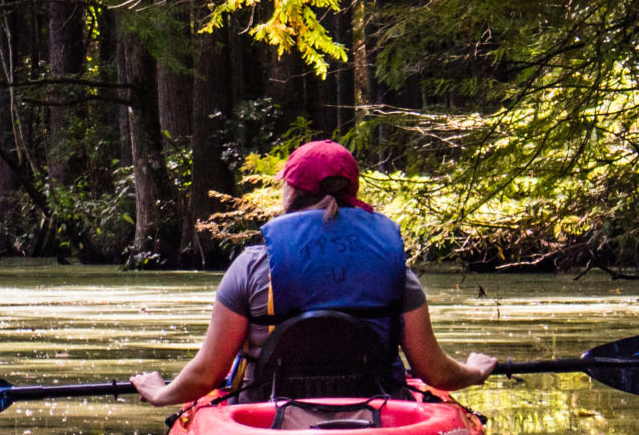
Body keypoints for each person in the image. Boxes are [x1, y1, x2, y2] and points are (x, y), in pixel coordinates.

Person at [131, 139, 495, 408]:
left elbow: (208, 373)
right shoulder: (396, 271)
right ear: (353, 190)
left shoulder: (253, 268)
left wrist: (160, 392)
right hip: (376, 411)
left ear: (290, 192)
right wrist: (474, 371)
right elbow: (436, 373)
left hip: (268, 418)